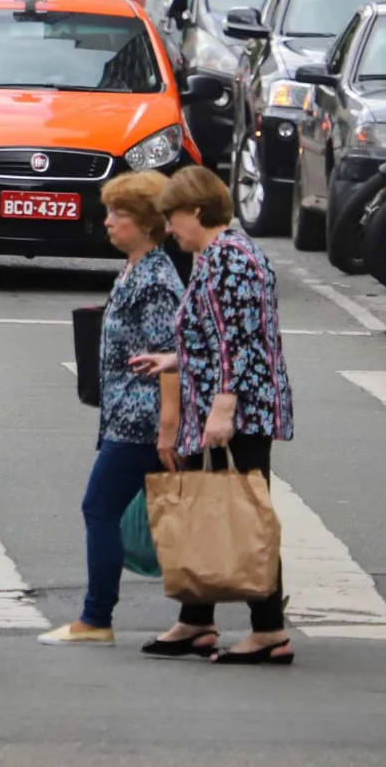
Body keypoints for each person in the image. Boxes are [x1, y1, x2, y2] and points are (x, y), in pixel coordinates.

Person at [127, 164, 295, 665]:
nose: (169, 229)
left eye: (173, 217)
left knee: (244, 515)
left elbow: (237, 343)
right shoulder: (217, 254)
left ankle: (269, 630)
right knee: (207, 509)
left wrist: (222, 409)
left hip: (238, 410)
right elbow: (214, 336)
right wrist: (173, 360)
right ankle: (196, 618)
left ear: (197, 210)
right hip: (227, 404)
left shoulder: (227, 258)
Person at [40, 171, 182, 647]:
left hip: (141, 419)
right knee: (169, 516)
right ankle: (244, 598)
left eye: (118, 214)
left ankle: (96, 618)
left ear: (146, 222)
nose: (108, 222)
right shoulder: (134, 270)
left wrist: (167, 429)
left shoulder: (156, 281)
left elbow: (170, 358)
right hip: (126, 413)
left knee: (99, 508)